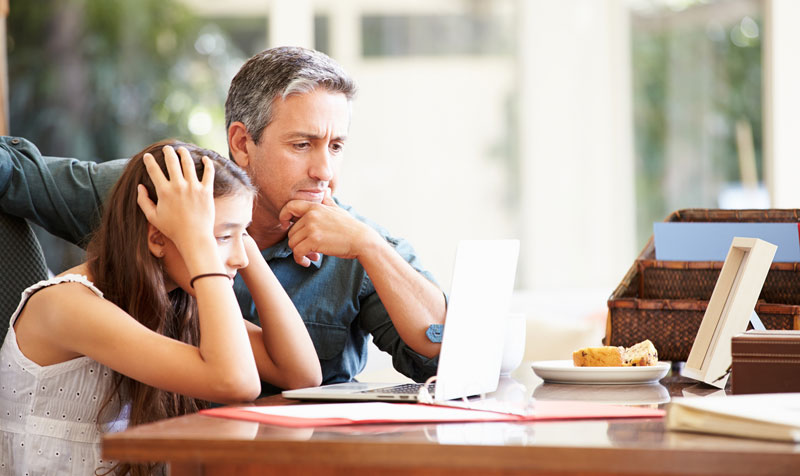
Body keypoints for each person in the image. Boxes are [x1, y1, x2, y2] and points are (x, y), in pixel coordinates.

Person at [0, 46, 446, 395]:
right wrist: (197, 232)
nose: (324, 171)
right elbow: (14, 172)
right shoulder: (158, 192)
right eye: (302, 145)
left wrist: (370, 248)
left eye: (335, 147)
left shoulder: (356, 242)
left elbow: (440, 356)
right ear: (241, 142)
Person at [0, 141, 321, 476]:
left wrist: (237, 236)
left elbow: (300, 375)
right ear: (157, 237)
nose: (240, 258)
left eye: (244, 236)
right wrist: (200, 244)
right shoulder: (65, 305)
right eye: (223, 237)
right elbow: (236, 382)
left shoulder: (170, 302)